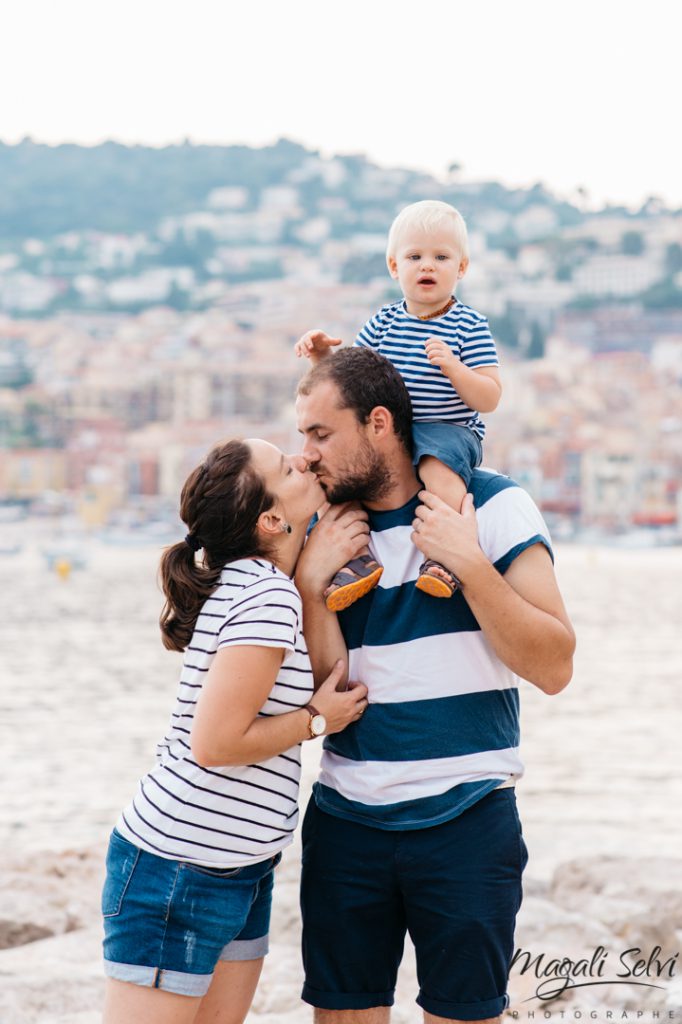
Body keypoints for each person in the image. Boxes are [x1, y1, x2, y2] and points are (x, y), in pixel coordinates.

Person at [293, 347, 576, 1024]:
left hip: (468, 821)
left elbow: (555, 666)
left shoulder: (493, 503)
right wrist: (309, 586)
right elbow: (317, 692)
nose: (304, 455)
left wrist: (469, 564)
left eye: (320, 434)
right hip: (344, 821)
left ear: (380, 424)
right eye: (303, 435)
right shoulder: (321, 531)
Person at [100, 437, 368, 1024]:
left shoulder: (262, 583)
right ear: (271, 519)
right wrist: (318, 720)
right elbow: (215, 743)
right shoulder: (266, 594)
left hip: (240, 866)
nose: (303, 459)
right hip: (178, 867)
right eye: (286, 466)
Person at [295, 199, 501, 610]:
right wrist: (321, 358)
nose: (428, 266)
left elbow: (489, 397)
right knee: (342, 479)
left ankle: (446, 558)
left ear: (461, 268)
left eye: (441, 257)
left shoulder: (469, 325)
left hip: (448, 428)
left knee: (436, 468)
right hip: (395, 431)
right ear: (395, 267)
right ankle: (356, 560)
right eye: (415, 257)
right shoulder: (383, 322)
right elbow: (352, 383)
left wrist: (455, 368)